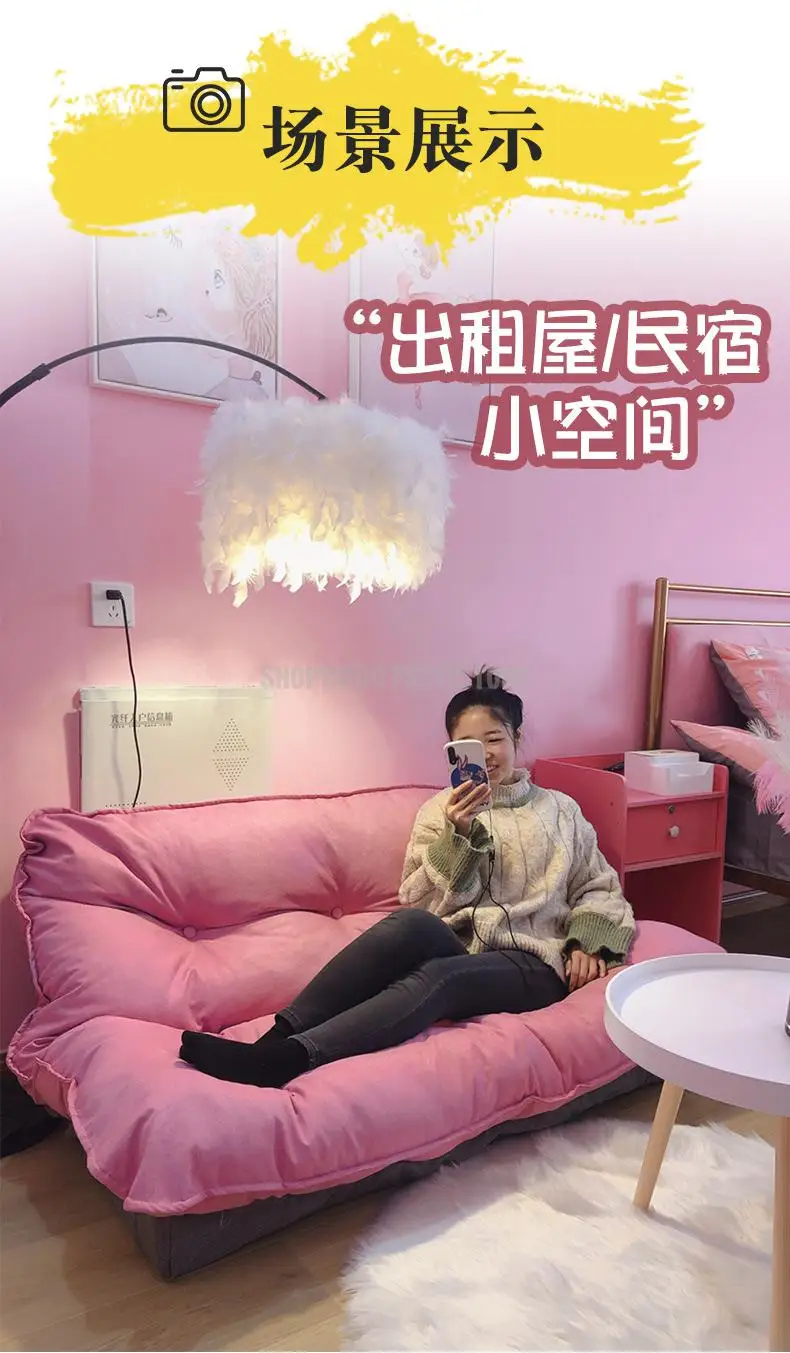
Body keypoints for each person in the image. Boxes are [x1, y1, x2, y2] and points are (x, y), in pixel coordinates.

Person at [179, 669, 636, 1088]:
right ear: (452, 751)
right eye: (468, 745)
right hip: (464, 946)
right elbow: (419, 900)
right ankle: (271, 1042)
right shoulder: (439, 812)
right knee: (410, 925)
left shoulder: (559, 810)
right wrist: (459, 836)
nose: (485, 755)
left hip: (534, 963)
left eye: (494, 739)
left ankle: (289, 1060)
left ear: (516, 737)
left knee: (441, 977)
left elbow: (597, 884)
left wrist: (588, 943)